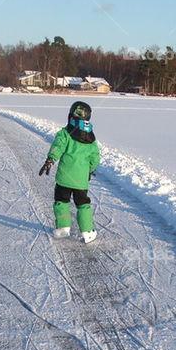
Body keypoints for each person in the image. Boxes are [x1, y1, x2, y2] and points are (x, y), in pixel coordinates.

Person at [39, 101, 100, 244]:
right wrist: (89, 170)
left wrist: (51, 159)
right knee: (83, 204)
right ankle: (87, 232)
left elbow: (58, 146)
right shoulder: (91, 139)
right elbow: (95, 158)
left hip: (64, 178)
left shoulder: (65, 133)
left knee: (61, 201)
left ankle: (63, 228)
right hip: (81, 181)